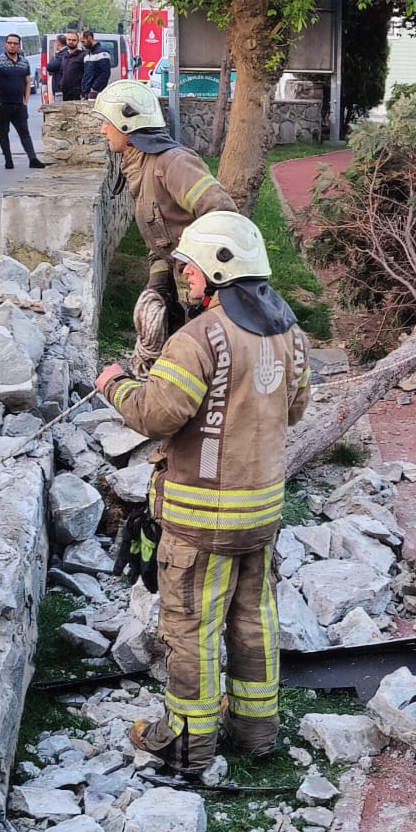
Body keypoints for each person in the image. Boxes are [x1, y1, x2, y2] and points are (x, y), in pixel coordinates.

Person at [94, 211, 311, 773]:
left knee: (190, 627)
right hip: (261, 512)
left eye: (189, 269)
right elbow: (296, 409)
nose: (185, 279)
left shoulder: (199, 338)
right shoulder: (291, 332)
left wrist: (114, 383)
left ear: (218, 269)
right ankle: (257, 732)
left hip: (201, 521)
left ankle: (187, 745)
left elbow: (158, 414)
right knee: (253, 619)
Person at [95, 79, 237, 338]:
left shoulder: (173, 164)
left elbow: (223, 215)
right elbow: (161, 243)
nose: (103, 130)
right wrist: (158, 286)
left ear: (128, 124)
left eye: (108, 122)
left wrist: (204, 276)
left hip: (207, 295)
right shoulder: (140, 166)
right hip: (183, 294)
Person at [0, 32, 45, 170]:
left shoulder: (24, 62)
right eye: (10, 43)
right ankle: (8, 160)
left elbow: (27, 81)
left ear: (19, 45)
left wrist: (26, 101)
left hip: (19, 104)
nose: (12, 46)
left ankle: (33, 159)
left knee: (24, 132)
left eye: (15, 43)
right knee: (3, 133)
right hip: (2, 104)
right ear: (5, 44)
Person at [81, 30, 113, 98]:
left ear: (89, 38)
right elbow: (86, 74)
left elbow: (105, 73)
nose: (82, 44)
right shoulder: (87, 54)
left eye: (83, 41)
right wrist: (83, 92)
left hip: (95, 92)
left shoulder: (102, 52)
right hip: (87, 92)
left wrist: (95, 88)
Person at [58, 32, 87, 101]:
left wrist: (83, 92)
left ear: (78, 41)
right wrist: (61, 84)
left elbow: (87, 74)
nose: (71, 42)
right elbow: (62, 72)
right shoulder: (65, 56)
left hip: (77, 93)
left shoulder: (83, 55)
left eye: (74, 40)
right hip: (65, 92)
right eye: (69, 39)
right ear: (66, 40)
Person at [46, 34, 67, 103]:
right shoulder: (65, 53)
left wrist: (54, 56)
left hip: (60, 89)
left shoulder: (62, 55)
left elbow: (50, 67)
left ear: (58, 43)